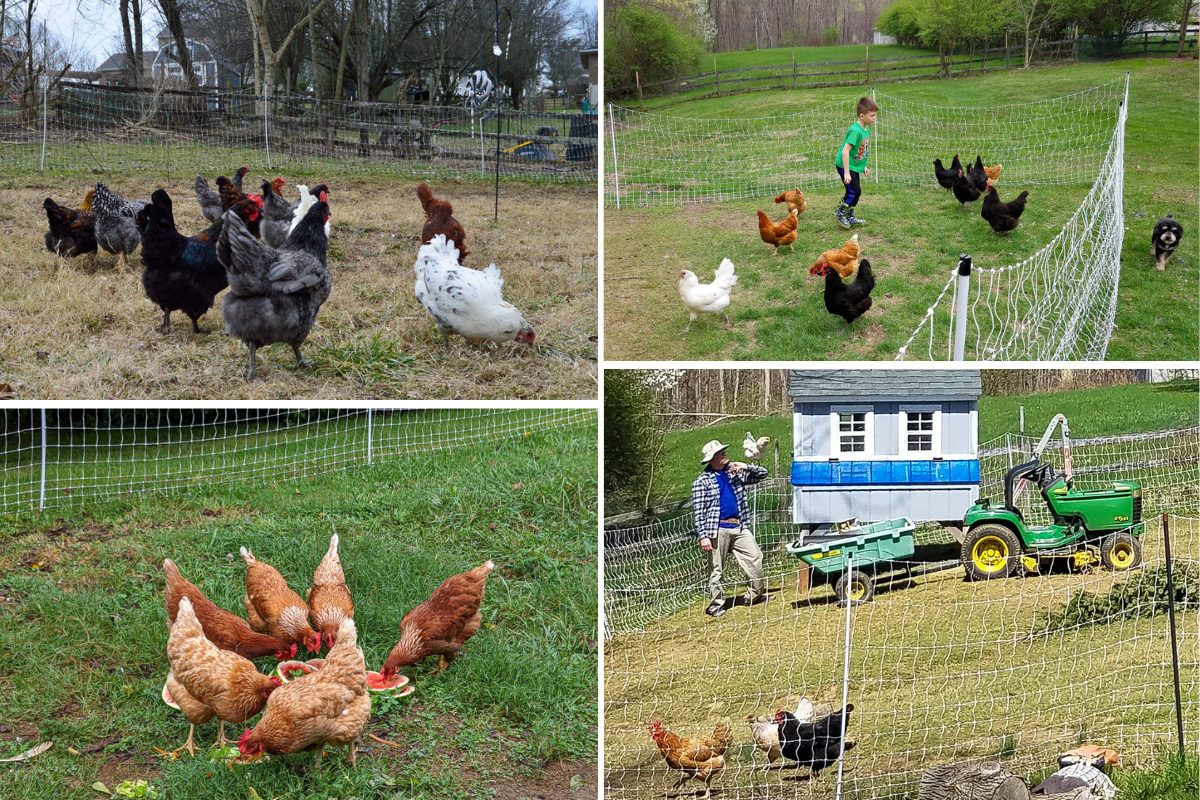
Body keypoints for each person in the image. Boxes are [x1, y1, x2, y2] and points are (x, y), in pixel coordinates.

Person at [691, 440, 775, 618]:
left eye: (724, 451)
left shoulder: (733, 474)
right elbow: (699, 512)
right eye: (721, 453)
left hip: (739, 525)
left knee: (755, 557)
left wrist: (744, 466)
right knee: (716, 569)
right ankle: (716, 605)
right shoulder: (701, 482)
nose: (725, 455)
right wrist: (703, 536)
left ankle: (754, 596)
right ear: (712, 459)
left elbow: (763, 474)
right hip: (717, 529)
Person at [834, 96, 878, 230]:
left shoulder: (866, 129)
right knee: (853, 191)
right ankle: (840, 211)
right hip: (844, 165)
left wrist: (863, 165)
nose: (874, 118)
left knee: (857, 192)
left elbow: (859, 150)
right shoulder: (855, 131)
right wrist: (846, 172)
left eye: (875, 115)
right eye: (872, 116)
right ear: (862, 115)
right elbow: (845, 151)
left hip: (854, 165)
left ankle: (850, 215)